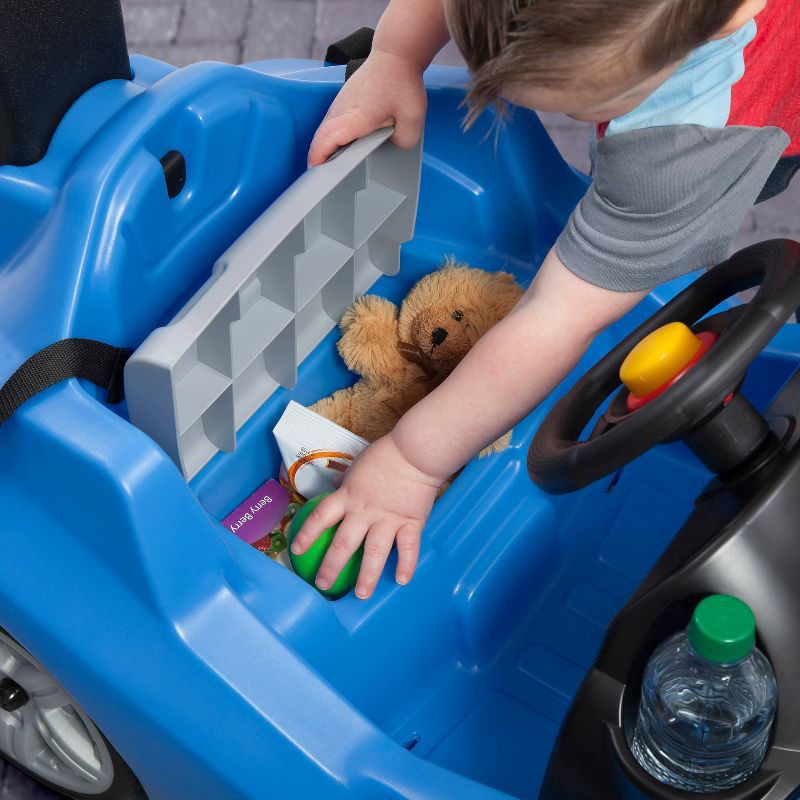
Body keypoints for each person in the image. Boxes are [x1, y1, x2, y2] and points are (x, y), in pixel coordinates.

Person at [292, 0, 800, 599]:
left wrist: (411, 461)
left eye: (577, 105)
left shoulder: (679, 154)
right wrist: (395, 56)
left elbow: (555, 319)